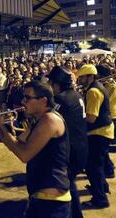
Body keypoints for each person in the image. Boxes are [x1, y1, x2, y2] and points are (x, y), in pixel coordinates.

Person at [0, 80, 71, 218]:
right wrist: (0, 127)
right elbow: (17, 143)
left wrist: (1, 128)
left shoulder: (50, 120)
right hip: (42, 197)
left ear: (43, 100)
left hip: (51, 203)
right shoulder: (39, 120)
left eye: (27, 98)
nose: (23, 101)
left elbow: (24, 154)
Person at [47, 66, 87, 218]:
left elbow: (48, 120)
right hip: (81, 147)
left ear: (56, 84)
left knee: (65, 187)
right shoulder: (75, 94)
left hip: (70, 151)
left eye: (50, 82)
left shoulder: (60, 99)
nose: (49, 86)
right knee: (69, 184)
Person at [76, 64, 113, 209]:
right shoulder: (94, 88)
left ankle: (100, 199)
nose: (80, 79)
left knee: (93, 167)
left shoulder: (93, 92)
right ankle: (103, 188)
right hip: (103, 131)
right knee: (98, 164)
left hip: (98, 132)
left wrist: (77, 122)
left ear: (90, 76)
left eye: (82, 77)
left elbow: (91, 118)